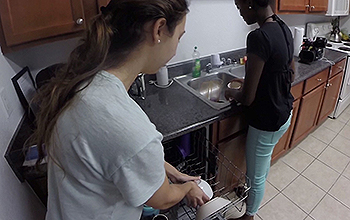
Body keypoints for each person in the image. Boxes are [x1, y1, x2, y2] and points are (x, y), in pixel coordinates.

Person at [30, 0, 210, 219]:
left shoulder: (83, 82)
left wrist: (170, 170)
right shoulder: (130, 129)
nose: (177, 47)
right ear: (159, 29)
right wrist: (187, 189)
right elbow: (160, 198)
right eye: (179, 36)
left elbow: (116, 154)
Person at [225, 0, 295, 219]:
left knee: (256, 175)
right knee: (260, 166)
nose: (239, 13)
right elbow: (289, 72)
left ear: (250, 4)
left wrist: (231, 93)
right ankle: (250, 193)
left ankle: (250, 215)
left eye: (239, 7)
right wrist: (250, 81)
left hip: (266, 121)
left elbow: (246, 99)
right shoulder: (283, 27)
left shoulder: (258, 37)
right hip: (284, 113)